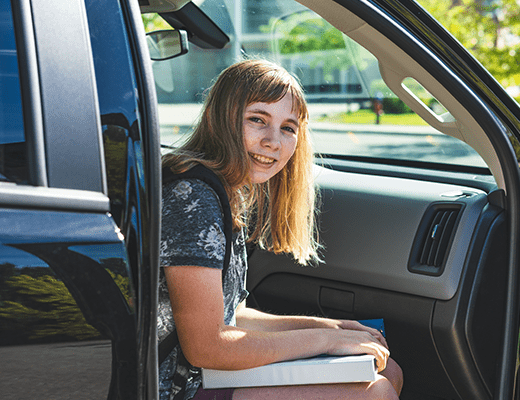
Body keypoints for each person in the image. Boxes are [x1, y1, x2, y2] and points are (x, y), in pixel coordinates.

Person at [158, 59, 403, 400]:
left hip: (202, 375)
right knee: (373, 392)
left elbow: (234, 315)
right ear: (223, 119)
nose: (274, 141)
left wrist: (329, 327)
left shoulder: (223, 191)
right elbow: (207, 346)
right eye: (257, 120)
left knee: (387, 369)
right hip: (173, 387)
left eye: (288, 127)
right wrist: (325, 341)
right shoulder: (192, 198)